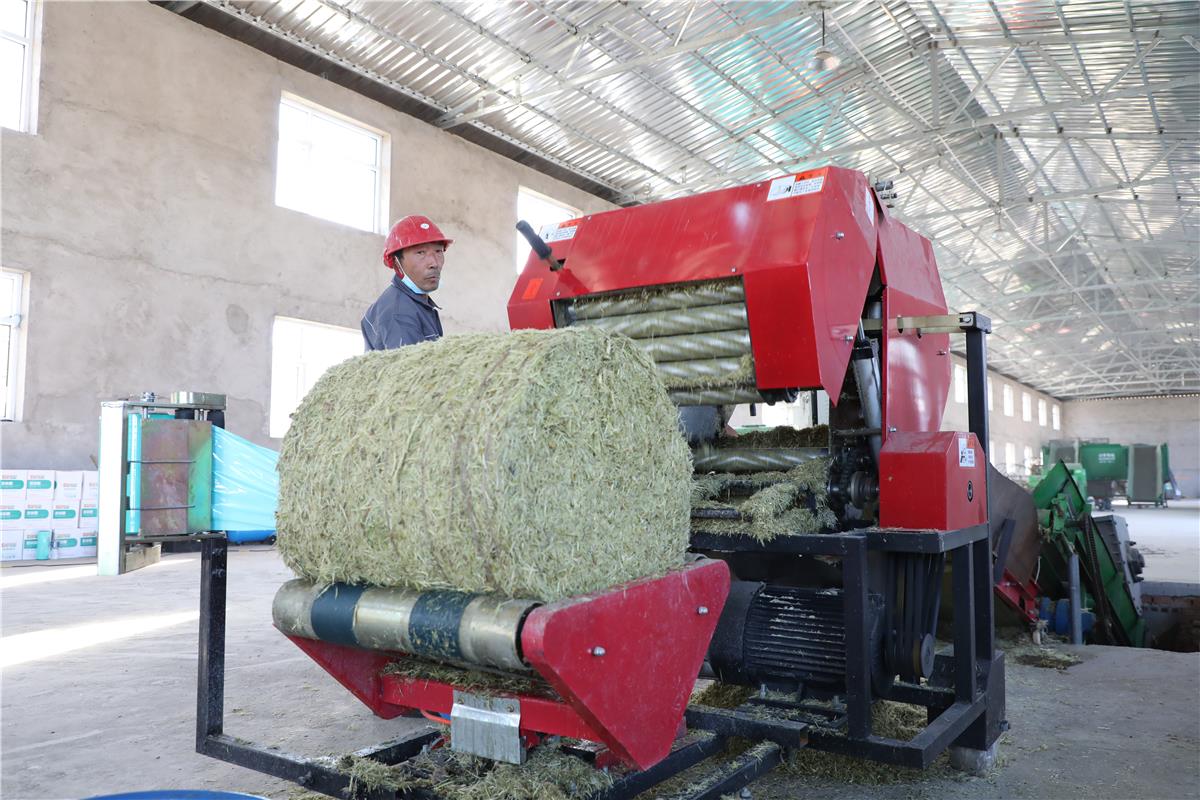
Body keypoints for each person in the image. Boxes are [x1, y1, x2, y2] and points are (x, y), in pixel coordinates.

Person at [361, 215, 453, 350]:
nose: (434, 263)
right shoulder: (399, 313)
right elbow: (412, 370)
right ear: (397, 262)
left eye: (438, 251)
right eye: (420, 252)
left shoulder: (417, 304)